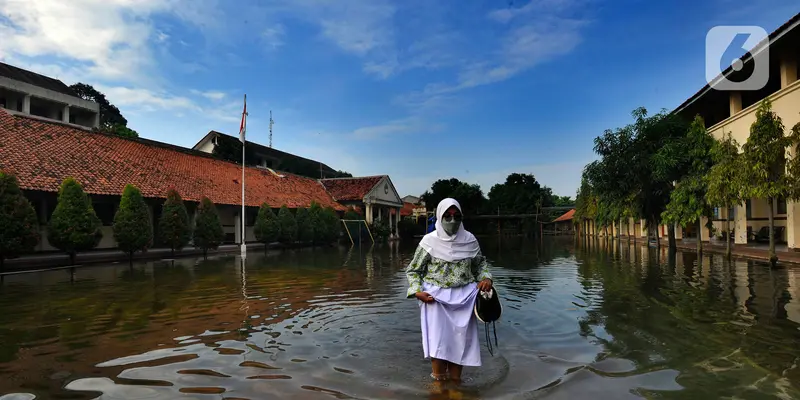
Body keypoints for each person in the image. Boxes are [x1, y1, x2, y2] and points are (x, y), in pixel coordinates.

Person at [405, 198, 493, 382]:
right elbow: (414, 270)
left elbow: (480, 266)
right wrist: (417, 291)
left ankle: (455, 384)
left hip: (465, 299)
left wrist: (486, 278)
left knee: (459, 343)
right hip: (435, 299)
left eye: (456, 216)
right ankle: (438, 384)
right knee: (439, 343)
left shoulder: (470, 240)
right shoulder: (429, 241)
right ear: (439, 216)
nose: (452, 221)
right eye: (447, 216)